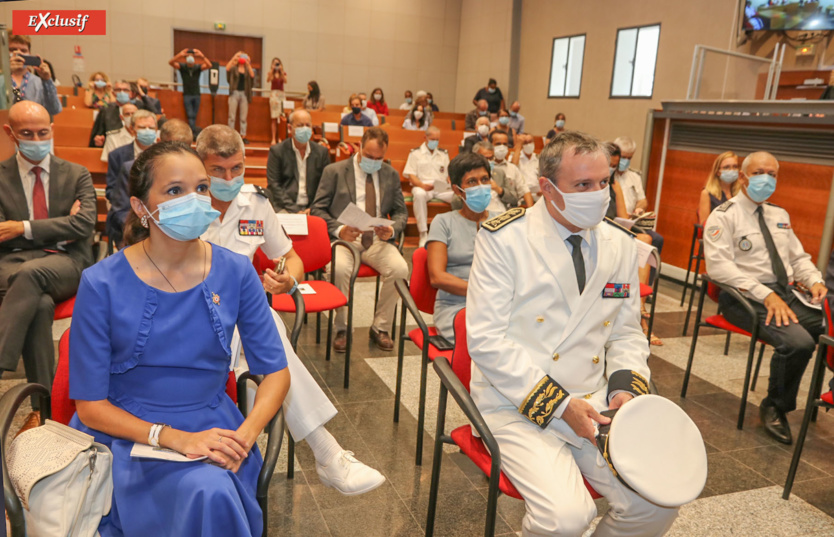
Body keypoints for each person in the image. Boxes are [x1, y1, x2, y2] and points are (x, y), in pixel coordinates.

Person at [68, 141, 290, 536]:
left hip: (212, 425)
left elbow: (275, 372)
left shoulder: (237, 272)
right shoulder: (100, 282)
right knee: (203, 492)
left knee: (210, 490)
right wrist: (171, 438)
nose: (196, 200)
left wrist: (245, 435)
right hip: (125, 433)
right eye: (175, 191)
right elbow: (89, 407)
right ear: (140, 207)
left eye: (201, 188)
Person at [466, 130, 679, 536]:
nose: (598, 194)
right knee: (566, 519)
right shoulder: (505, 239)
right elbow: (487, 342)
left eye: (604, 182)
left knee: (655, 504)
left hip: (594, 399)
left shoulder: (618, 244)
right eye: (583, 185)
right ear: (547, 188)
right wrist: (561, 406)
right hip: (518, 403)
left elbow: (626, 333)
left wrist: (624, 391)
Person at [196, 126, 385, 494]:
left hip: (238, 309)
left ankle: (314, 450)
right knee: (268, 341)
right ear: (199, 164)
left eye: (236, 168)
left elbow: (290, 258)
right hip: (191, 310)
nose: (229, 178)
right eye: (217, 170)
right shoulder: (186, 201)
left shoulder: (255, 203)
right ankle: (325, 452)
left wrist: (288, 280)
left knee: (264, 330)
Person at [704, 151, 826, 445]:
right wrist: (765, 294)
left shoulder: (779, 214)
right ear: (744, 177)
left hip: (785, 294)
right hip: (744, 298)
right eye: (760, 172)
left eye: (772, 174)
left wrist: (815, 280)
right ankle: (775, 405)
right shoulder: (724, 216)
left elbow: (798, 258)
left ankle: (826, 393)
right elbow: (719, 268)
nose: (767, 179)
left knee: (828, 326)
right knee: (798, 343)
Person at [0, 101, 96, 393]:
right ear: (10, 132)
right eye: (27, 133)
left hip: (66, 262)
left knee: (31, 275)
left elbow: (84, 226)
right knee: (39, 305)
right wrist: (62, 225)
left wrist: (22, 227)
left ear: (52, 130)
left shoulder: (77, 173)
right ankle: (45, 406)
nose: (37, 140)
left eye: (43, 132)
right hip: (11, 266)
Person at [311, 127, 408, 352]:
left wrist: (391, 231)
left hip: (376, 239)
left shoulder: (390, 174)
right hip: (345, 239)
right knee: (339, 269)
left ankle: (380, 327)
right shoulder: (334, 171)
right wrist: (340, 229)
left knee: (400, 269)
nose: (373, 162)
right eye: (369, 156)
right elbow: (317, 209)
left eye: (378, 158)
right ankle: (342, 328)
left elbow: (401, 212)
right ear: (359, 147)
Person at [426, 152, 494, 343]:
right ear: (457, 190)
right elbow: (437, 277)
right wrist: (482, 292)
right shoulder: (443, 222)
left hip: (498, 304)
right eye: (472, 182)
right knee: (486, 338)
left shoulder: (503, 221)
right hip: (456, 307)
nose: (480, 186)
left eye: (485, 179)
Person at [607, 143, 662, 346]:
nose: (613, 168)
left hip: (616, 230)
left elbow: (622, 217)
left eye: (615, 165)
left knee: (646, 241)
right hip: (598, 233)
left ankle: (639, 307)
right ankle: (638, 319)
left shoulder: (615, 185)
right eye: (610, 164)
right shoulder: (591, 184)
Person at [106, 110, 159, 247]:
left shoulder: (164, 156)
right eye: (142, 127)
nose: (147, 131)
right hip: (127, 212)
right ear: (132, 129)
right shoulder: (117, 155)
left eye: (151, 128)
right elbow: (111, 190)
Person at [267, 109, 332, 214]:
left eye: (308, 125)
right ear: (289, 128)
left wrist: (313, 208)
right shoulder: (277, 151)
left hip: (313, 207)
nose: (305, 129)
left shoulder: (321, 152)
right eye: (300, 125)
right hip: (285, 206)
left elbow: (325, 185)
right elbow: (274, 185)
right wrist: (295, 210)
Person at [613, 136, 663, 254]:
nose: (625, 161)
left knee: (657, 239)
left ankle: (646, 272)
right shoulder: (608, 175)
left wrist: (639, 208)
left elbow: (643, 201)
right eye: (623, 157)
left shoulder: (634, 177)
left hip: (631, 221)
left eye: (629, 158)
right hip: (615, 220)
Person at [403, 127, 452, 247]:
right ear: (425, 137)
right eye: (432, 139)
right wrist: (422, 185)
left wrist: (449, 185)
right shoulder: (415, 153)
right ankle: (423, 233)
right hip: (422, 185)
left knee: (458, 195)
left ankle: (452, 232)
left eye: (437, 139)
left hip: (439, 187)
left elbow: (448, 174)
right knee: (419, 195)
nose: (435, 141)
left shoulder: (443, 153)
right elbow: (411, 175)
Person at [452, 141, 517, 214]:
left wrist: (499, 190)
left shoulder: (499, 173)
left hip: (502, 213)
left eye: (491, 158)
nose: (488, 161)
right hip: (479, 215)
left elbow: (514, 199)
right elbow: (455, 201)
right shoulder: (467, 175)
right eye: (485, 158)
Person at [7, 33, 62, 117]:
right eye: (12, 49)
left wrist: (47, 80)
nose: (19, 53)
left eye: (23, 50)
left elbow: (54, 109)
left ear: (29, 53)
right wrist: (7, 72)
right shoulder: (2, 78)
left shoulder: (39, 82)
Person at [169, 48, 211, 135]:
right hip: (187, 94)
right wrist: (180, 55)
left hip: (196, 94)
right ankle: (192, 133)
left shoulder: (197, 67)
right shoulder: (183, 67)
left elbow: (209, 65)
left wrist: (201, 56)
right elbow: (171, 62)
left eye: (192, 56)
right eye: (188, 56)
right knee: (190, 115)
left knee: (194, 115)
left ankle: (192, 132)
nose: (190, 57)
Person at [490, 131, 532, 208]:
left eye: (505, 144)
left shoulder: (513, 168)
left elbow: (525, 190)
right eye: (498, 144)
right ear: (490, 145)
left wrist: (532, 212)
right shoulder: (483, 167)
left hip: (509, 210)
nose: (502, 147)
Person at [699, 151, 741, 225]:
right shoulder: (707, 193)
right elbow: (704, 224)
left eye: (735, 167)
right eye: (726, 167)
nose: (731, 170)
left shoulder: (741, 193)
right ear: (718, 172)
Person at [226, 51, 255, 144]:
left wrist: (248, 63)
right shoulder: (234, 68)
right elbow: (227, 69)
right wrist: (234, 56)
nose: (242, 58)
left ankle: (243, 136)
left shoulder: (247, 69)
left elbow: (252, 75)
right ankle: (231, 136)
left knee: (243, 117)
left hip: (244, 94)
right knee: (232, 116)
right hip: (234, 93)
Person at [267, 57, 288, 145]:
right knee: (274, 118)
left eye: (278, 63)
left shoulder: (283, 73)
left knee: (281, 118)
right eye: (275, 63)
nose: (276, 65)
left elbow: (286, 81)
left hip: (281, 95)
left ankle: (280, 137)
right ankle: (273, 138)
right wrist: (272, 70)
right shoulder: (271, 73)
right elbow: (268, 80)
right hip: (274, 95)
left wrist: (281, 71)